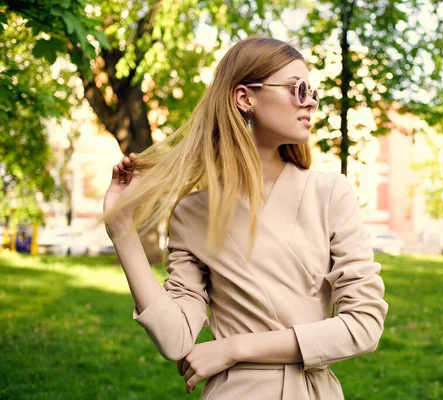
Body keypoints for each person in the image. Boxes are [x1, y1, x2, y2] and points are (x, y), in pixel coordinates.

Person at [100, 36, 388, 400]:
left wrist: (233, 348)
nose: (311, 101)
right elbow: (175, 340)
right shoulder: (194, 213)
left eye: (313, 91)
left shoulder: (330, 194)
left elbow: (364, 326)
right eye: (298, 89)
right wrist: (122, 229)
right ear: (244, 98)